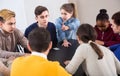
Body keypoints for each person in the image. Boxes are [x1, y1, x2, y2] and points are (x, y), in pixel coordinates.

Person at [0, 9, 28, 76]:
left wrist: (37, 51)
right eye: (10, 24)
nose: (13, 26)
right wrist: (23, 55)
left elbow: (27, 44)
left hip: (13, 61)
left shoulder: (16, 31)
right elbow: (1, 53)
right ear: (1, 24)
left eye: (14, 23)